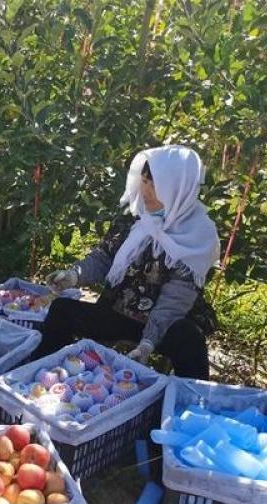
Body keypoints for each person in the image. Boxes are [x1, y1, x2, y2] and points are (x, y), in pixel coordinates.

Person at [39, 145, 220, 379]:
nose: (146, 190)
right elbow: (104, 257)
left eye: (155, 184)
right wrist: (74, 275)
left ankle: (188, 408)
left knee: (189, 338)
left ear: (177, 188)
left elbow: (173, 302)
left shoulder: (196, 235)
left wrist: (147, 344)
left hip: (165, 323)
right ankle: (41, 376)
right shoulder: (136, 218)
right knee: (62, 310)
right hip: (122, 309)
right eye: (144, 181)